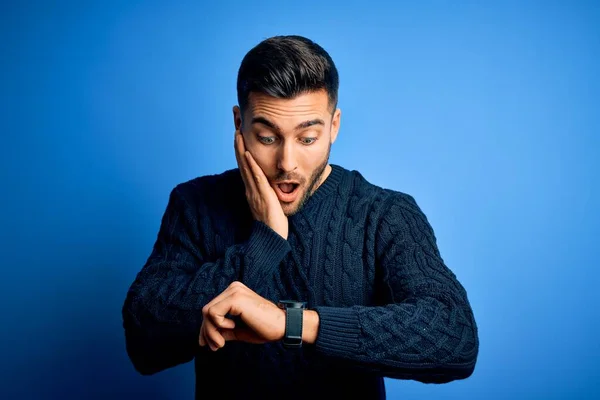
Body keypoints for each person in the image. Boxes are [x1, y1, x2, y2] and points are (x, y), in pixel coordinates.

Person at [122, 34, 479, 399]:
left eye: (307, 138)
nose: (287, 163)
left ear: (334, 126)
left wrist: (292, 324)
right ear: (238, 124)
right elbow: (143, 338)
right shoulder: (195, 204)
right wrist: (265, 242)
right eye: (266, 137)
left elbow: (454, 336)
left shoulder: (384, 214)